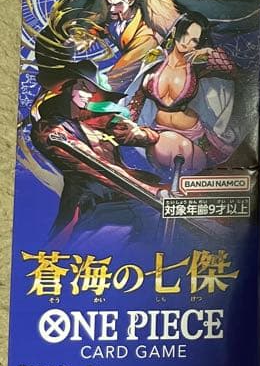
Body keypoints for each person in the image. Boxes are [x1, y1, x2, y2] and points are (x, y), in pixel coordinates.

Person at [29, 61, 164, 242]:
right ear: (68, 86)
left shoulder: (96, 123)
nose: (89, 95)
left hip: (125, 199)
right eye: (84, 88)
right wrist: (149, 192)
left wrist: (142, 133)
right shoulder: (49, 129)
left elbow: (144, 137)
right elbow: (96, 168)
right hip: (91, 209)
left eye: (92, 91)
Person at [128, 12, 238, 174]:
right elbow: (138, 97)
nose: (187, 42)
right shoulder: (156, 59)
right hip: (158, 129)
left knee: (210, 169)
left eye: (194, 40)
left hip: (194, 134)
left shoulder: (197, 65)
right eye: (185, 34)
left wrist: (208, 52)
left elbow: (231, 70)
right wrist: (129, 123)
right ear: (175, 32)